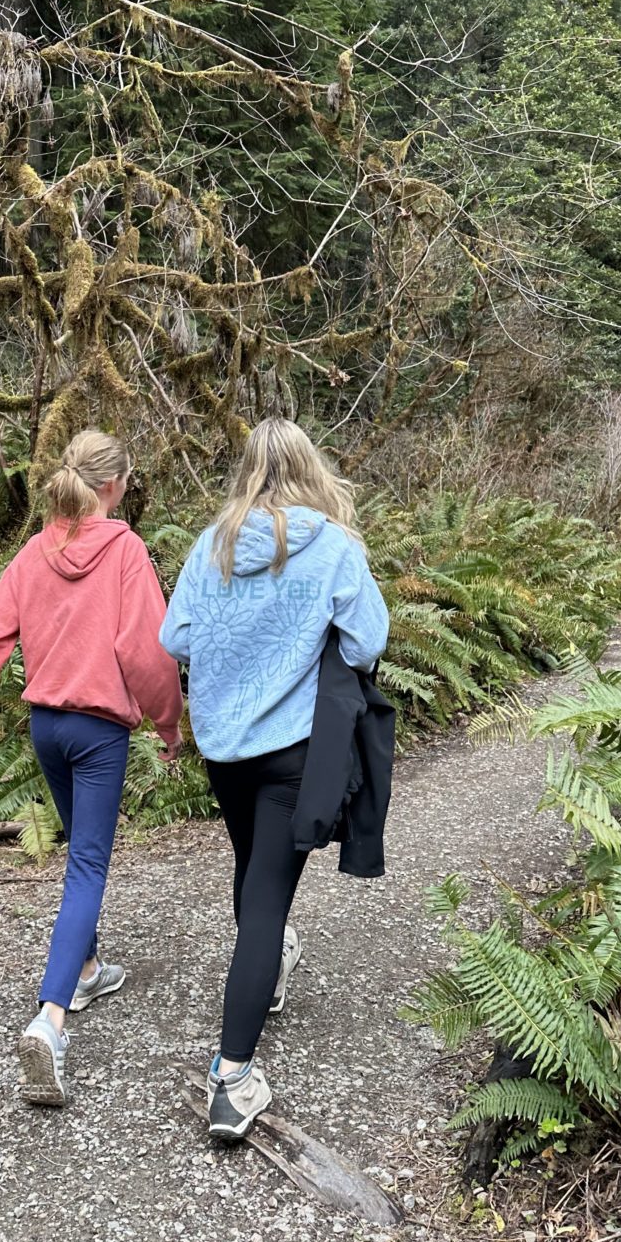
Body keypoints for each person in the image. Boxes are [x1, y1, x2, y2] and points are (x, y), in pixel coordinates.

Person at [160, 418, 389, 1140]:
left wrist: (238, 641)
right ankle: (231, 1079)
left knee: (253, 875)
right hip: (293, 747)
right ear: (308, 467)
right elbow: (368, 640)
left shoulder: (214, 543)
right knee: (265, 902)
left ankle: (266, 977)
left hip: (224, 745)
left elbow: (176, 639)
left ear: (247, 472)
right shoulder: (333, 546)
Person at [0, 430, 182, 1107]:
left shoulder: (35, 551)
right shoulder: (123, 550)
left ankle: (86, 968)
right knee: (87, 863)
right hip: (97, 732)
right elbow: (147, 653)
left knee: (77, 852)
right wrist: (169, 724)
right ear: (114, 486)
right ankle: (50, 1020)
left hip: (47, 729)